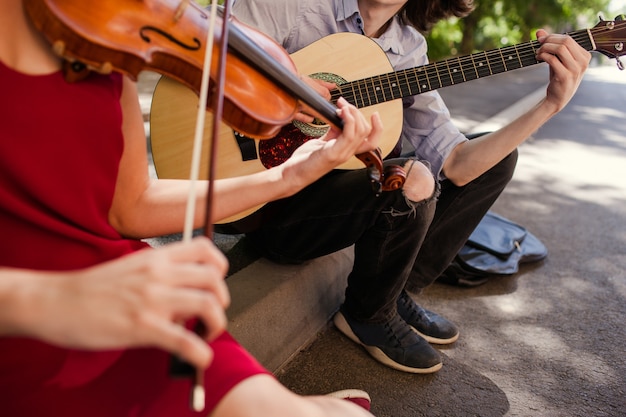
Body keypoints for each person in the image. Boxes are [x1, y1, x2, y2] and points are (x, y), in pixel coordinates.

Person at [0, 0, 382, 415]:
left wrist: (285, 178)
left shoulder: (101, 30)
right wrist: (57, 298)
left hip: (125, 294)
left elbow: (130, 206)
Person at [230, 0, 591, 374]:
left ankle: (389, 294)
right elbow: (210, 41)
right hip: (254, 200)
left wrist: (549, 105)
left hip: (319, 213)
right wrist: (291, 84)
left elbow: (457, 165)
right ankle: (368, 314)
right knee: (413, 177)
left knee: (496, 160)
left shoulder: (407, 49)